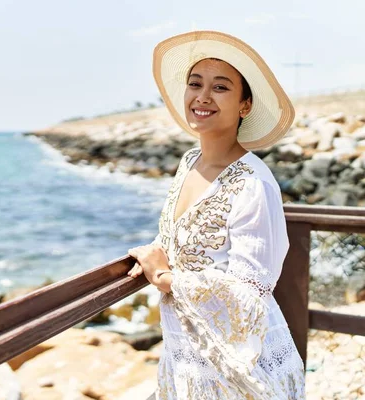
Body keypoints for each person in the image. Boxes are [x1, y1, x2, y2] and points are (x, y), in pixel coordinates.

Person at [127, 31, 306, 399]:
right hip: (185, 356)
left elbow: (250, 292)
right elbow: (181, 237)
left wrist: (163, 277)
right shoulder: (189, 162)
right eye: (195, 84)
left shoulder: (253, 184)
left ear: (245, 105)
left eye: (220, 87)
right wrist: (152, 253)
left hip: (241, 369)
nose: (202, 96)